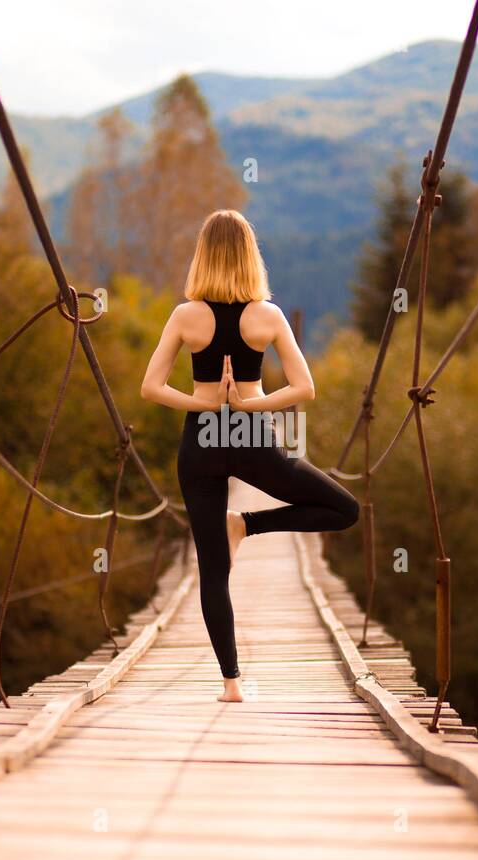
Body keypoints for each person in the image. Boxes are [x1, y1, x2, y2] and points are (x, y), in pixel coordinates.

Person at [140, 210, 359, 702]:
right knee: (345, 509)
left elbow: (150, 387)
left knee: (212, 569)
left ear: (203, 255)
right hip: (251, 435)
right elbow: (305, 387)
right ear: (249, 256)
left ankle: (231, 684)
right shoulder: (268, 315)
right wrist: (250, 403)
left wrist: (202, 402)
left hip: (200, 439)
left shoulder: (185, 315)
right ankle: (249, 525)